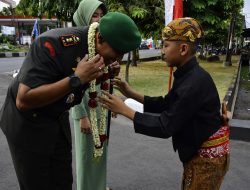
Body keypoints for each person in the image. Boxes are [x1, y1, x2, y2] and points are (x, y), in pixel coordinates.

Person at [0, 12, 141, 190]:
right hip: (27, 125)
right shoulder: (52, 44)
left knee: (63, 182)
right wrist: (76, 79)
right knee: (37, 184)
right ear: (99, 38)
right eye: (115, 54)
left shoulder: (95, 50)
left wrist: (103, 74)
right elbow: (24, 99)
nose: (117, 60)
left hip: (56, 119)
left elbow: (81, 87)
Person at [99, 17, 230, 190]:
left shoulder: (193, 83)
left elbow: (165, 126)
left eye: (166, 45)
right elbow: (165, 103)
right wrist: (130, 92)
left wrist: (123, 109)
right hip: (199, 153)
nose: (162, 51)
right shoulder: (187, 75)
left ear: (183, 49)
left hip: (206, 160)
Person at [71, 1, 114, 190]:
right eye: (94, 16)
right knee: (86, 155)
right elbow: (71, 84)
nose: (99, 20)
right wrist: (81, 116)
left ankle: (99, 186)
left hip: (100, 106)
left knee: (101, 150)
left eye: (101, 16)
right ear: (83, 18)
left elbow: (102, 76)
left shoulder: (100, 41)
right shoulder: (75, 45)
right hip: (84, 108)